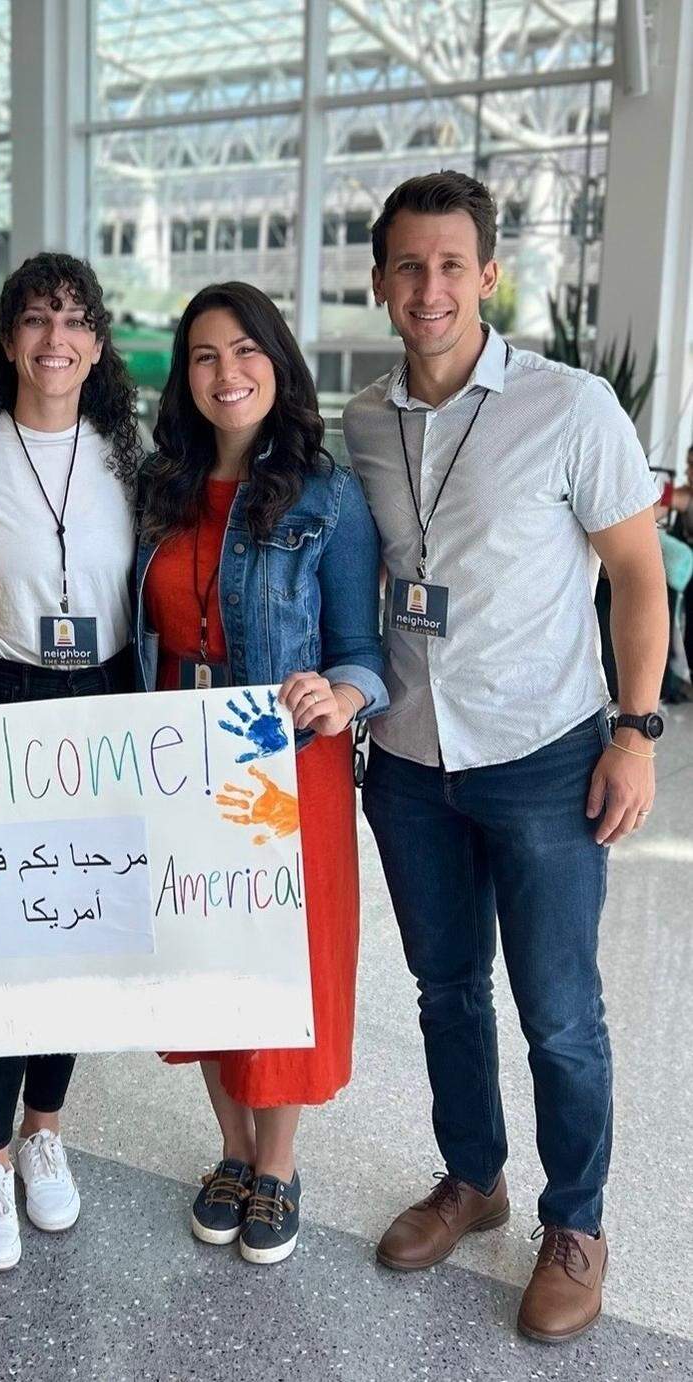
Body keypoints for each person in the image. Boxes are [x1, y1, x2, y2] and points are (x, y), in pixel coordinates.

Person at [343, 172, 668, 1342]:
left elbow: (638, 576)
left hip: (542, 753)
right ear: (380, 282)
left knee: (560, 1010)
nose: (429, 288)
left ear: (489, 275)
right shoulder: (364, 425)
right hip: (415, 764)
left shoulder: (572, 405)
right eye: (407, 267)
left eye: (451, 266)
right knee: (444, 989)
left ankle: (574, 1219)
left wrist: (634, 731)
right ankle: (473, 1176)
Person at [134, 281, 387, 1265]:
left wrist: (340, 695)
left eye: (245, 351)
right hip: (179, 755)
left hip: (286, 763)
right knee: (203, 951)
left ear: (276, 363)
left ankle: (277, 1164)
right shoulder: (159, 483)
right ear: (183, 374)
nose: (226, 372)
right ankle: (232, 1150)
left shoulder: (325, 490)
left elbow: (366, 652)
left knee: (282, 963)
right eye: (204, 354)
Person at [0, 252, 143, 1272]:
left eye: (74, 321)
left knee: (72, 935)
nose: (54, 339)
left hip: (102, 700)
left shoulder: (127, 457)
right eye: (35, 319)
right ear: (9, 338)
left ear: (97, 345)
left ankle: (45, 1131)